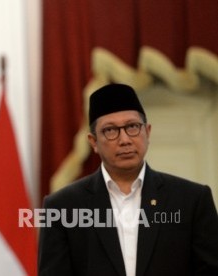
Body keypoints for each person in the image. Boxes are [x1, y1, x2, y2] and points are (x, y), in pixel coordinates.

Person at [38, 83, 218, 276]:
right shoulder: (62, 207)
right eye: (110, 130)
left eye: (132, 127)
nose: (124, 139)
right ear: (93, 142)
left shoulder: (192, 200)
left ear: (147, 132)